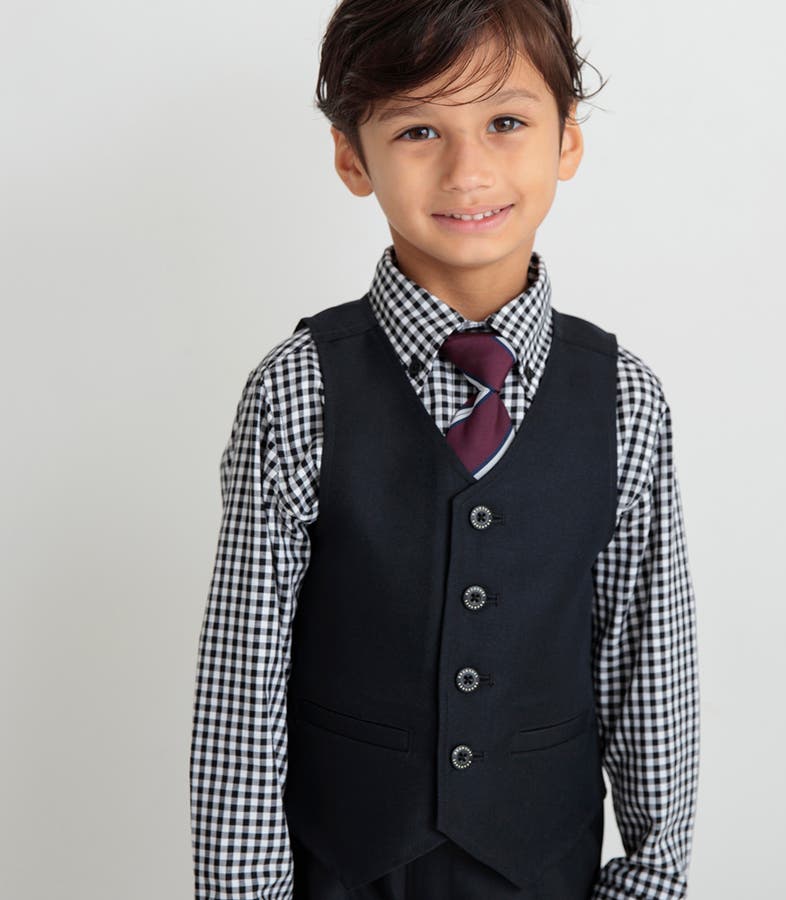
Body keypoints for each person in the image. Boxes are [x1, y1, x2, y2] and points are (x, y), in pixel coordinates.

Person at [190, 1, 700, 898]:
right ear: (353, 158)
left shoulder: (625, 398)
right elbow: (243, 681)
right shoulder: (299, 390)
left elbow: (647, 664)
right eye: (419, 130)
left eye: (506, 122)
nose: (469, 171)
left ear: (567, 140)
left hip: (546, 877)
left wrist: (648, 881)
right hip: (344, 875)